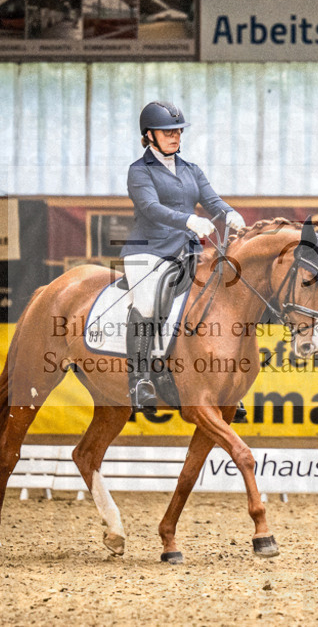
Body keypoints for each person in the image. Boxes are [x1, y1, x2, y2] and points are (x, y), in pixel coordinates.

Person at [120, 100, 245, 415]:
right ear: (149, 135)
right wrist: (188, 220)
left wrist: (230, 214)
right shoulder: (139, 171)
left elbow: (212, 201)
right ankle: (139, 379)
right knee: (147, 303)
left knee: (216, 295)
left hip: (186, 251)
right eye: (167, 132)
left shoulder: (191, 170)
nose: (175, 136)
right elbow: (150, 208)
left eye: (178, 131)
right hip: (148, 250)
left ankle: (220, 382)